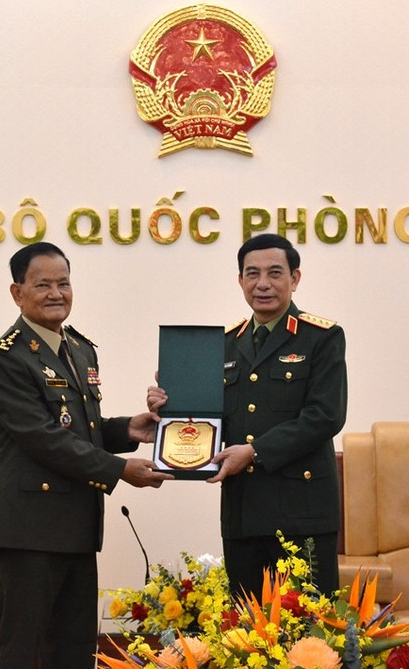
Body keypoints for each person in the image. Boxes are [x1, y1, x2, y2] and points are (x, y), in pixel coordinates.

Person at [0, 241, 173, 669]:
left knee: (74, 652)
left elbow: (80, 429)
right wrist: (120, 469)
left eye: (64, 283)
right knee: (23, 652)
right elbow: (43, 438)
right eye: (43, 284)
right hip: (28, 532)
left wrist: (127, 429)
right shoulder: (6, 358)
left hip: (76, 527)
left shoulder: (80, 348)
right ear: (18, 292)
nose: (56, 293)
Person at [147, 234, 347, 598]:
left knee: (310, 639)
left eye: (275, 273)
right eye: (252, 274)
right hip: (243, 512)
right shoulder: (225, 344)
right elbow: (206, 415)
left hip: (303, 512)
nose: (263, 284)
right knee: (246, 636)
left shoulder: (322, 337)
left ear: (295, 279)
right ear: (240, 280)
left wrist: (254, 452)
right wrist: (170, 405)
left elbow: (325, 416)